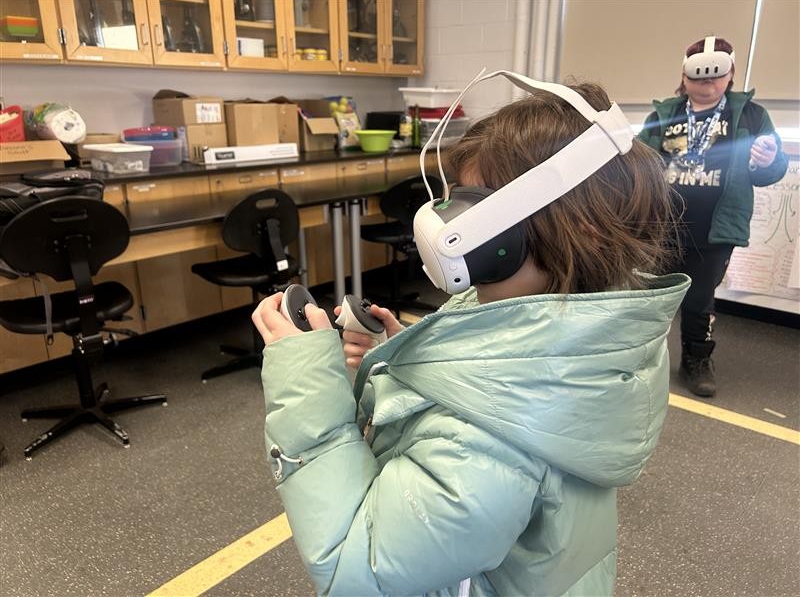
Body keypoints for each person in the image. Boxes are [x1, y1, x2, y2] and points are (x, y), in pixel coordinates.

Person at [252, 81, 690, 596]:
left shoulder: (488, 445)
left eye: (472, 205)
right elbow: (491, 376)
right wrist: (405, 365)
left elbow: (357, 567)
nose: (445, 224)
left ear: (572, 227)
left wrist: (304, 384)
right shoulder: (596, 333)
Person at [638, 36, 788, 398]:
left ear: (730, 74)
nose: (706, 85)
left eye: (715, 78)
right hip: (664, 226)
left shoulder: (752, 115)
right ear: (684, 76)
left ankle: (697, 358)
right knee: (647, 296)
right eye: (698, 78)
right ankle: (638, 358)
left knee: (699, 299)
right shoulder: (665, 114)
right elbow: (638, 163)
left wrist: (767, 162)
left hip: (715, 228)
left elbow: (771, 169)